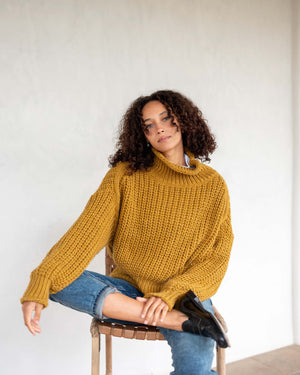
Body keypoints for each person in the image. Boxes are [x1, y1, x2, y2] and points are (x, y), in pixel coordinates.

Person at [21, 89, 234, 375]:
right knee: (56, 279)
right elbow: (85, 233)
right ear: (142, 135)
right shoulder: (125, 176)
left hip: (186, 295)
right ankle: (176, 320)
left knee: (194, 370)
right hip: (131, 292)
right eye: (148, 125)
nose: (158, 128)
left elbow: (216, 258)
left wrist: (169, 295)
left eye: (166, 118)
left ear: (184, 120)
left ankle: (181, 316)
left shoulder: (213, 186)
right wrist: (42, 279)